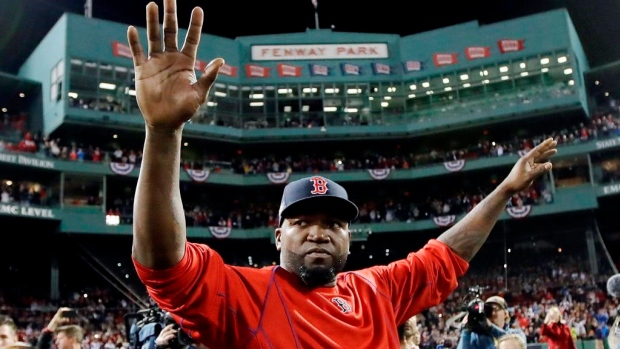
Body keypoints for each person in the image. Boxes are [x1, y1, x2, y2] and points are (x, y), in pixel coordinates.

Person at [126, 0, 558, 347]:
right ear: (278, 236)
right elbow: (164, 263)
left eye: (333, 223)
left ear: (350, 236)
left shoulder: (378, 290)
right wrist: (162, 132)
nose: (318, 233)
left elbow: (444, 255)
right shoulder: (241, 295)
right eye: (301, 222)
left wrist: (503, 190)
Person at [456, 295, 527, 349]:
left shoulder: (517, 334)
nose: (492, 313)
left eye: (496, 309)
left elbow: (512, 343)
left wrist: (490, 327)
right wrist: (466, 331)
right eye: (488, 310)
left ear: (506, 314)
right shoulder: (477, 337)